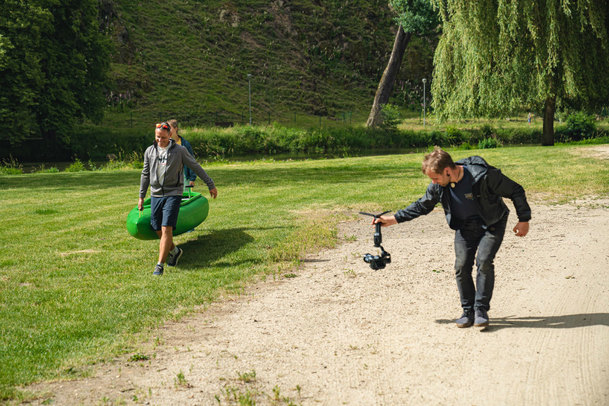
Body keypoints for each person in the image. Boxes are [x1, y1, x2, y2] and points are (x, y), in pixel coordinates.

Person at [374, 147, 531, 328]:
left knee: (484, 260)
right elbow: (421, 206)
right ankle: (468, 311)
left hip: (492, 223)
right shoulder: (438, 186)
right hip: (465, 227)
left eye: (435, 177)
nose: (433, 182)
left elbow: (516, 190)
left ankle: (480, 309)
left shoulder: (484, 176)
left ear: (447, 171)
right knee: (461, 265)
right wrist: (393, 219)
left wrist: (524, 219)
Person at [138, 122, 218, 276]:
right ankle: (174, 251)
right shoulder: (150, 151)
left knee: (166, 228)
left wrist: (210, 184)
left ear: (170, 135)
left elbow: (195, 166)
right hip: (155, 194)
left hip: (173, 193)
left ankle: (159, 265)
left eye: (162, 137)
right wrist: (141, 196)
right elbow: (145, 174)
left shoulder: (180, 151)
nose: (159, 140)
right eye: (157, 137)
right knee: (157, 228)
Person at [167, 119, 197, 189]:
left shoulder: (185, 144)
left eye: (170, 128)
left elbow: (191, 161)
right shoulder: (164, 143)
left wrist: (192, 178)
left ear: (175, 128)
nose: (168, 130)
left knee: (184, 198)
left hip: (184, 176)